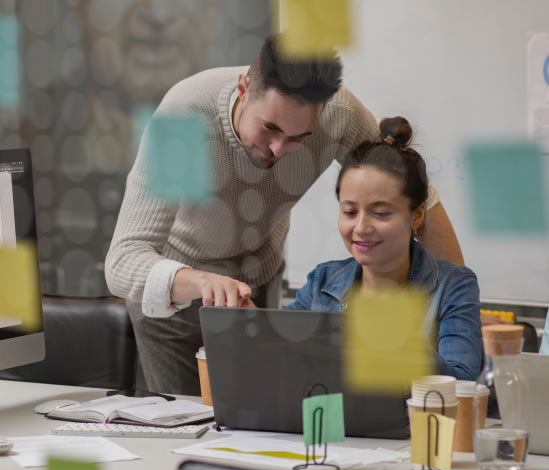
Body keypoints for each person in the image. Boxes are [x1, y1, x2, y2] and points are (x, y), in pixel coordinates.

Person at [106, 35, 464, 395]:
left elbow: (418, 202)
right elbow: (123, 261)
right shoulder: (185, 119)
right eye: (270, 129)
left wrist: (457, 303)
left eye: (299, 137)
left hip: (259, 290)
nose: (278, 149)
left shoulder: (339, 115)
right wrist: (202, 282)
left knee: (261, 420)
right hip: (176, 301)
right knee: (184, 420)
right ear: (244, 88)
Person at [286, 117, 482, 381]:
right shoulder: (322, 281)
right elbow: (279, 352)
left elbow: (462, 383)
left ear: (417, 216)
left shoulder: (454, 286)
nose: (361, 227)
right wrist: (243, 316)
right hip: (334, 420)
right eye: (349, 211)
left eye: (380, 213)